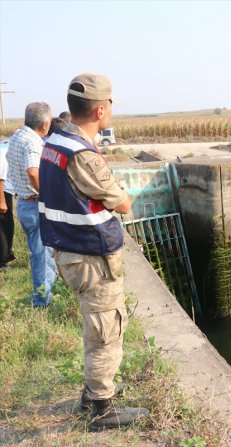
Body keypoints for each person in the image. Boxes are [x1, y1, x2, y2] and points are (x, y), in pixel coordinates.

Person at [39, 73, 148, 431]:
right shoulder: (82, 153)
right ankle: (101, 408)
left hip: (67, 250)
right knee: (106, 328)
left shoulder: (55, 139)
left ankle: (92, 393)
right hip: (89, 256)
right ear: (101, 110)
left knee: (96, 323)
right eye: (112, 104)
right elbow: (123, 204)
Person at [6, 103, 56, 306]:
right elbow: (33, 171)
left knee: (38, 254)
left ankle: (43, 293)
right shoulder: (33, 142)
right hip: (35, 204)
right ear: (45, 123)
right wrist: (46, 194)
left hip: (24, 203)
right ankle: (42, 299)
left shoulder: (17, 135)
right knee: (43, 256)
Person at [0, 138, 16, 270]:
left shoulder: (4, 145)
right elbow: (0, 178)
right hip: (3, 192)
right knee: (5, 227)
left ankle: (6, 255)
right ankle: (2, 260)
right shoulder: (6, 151)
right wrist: (2, 201)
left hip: (6, 190)